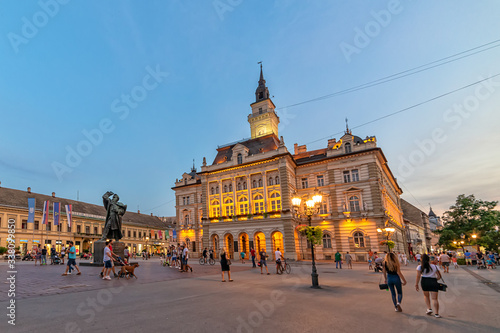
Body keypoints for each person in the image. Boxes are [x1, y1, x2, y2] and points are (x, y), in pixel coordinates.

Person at [415, 254, 442, 318]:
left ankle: (429, 308)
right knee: (435, 298)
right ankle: (436, 314)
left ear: (421, 259)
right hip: (433, 281)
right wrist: (435, 279)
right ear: (429, 259)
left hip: (424, 281)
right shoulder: (435, 266)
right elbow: (439, 276)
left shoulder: (419, 267)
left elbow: (418, 276)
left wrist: (416, 284)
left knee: (426, 296)